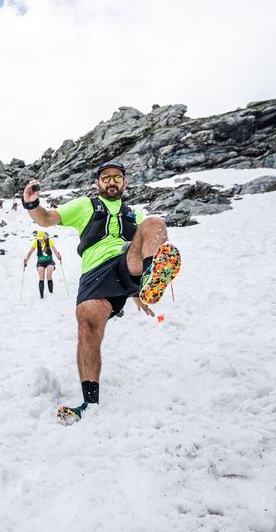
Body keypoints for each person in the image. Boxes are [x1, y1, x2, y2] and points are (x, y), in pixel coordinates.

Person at [22, 161, 180, 425]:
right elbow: (47, 218)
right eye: (106, 177)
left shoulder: (134, 214)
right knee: (87, 326)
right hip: (96, 271)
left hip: (126, 261)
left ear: (124, 183)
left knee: (154, 223)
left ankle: (149, 279)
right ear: (97, 183)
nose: (111, 181)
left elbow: (145, 243)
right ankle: (89, 401)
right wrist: (32, 204)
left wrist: (139, 291)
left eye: (117, 177)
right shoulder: (86, 205)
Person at [22, 229, 63, 299]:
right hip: (40, 262)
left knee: (48, 276)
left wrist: (58, 256)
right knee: (41, 277)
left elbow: (55, 251)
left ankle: (51, 294)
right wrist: (26, 260)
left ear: (44, 237)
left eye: (41, 239)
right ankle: (42, 296)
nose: (40, 240)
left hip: (49, 261)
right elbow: (30, 253)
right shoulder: (36, 242)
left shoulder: (49, 241)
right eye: (39, 239)